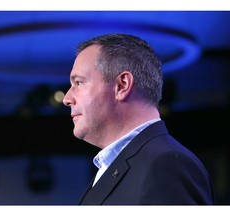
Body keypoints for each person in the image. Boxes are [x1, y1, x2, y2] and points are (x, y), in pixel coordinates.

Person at [62, 33, 215, 205]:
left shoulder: (166, 165)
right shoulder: (119, 165)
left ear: (122, 85)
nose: (66, 98)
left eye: (79, 83)